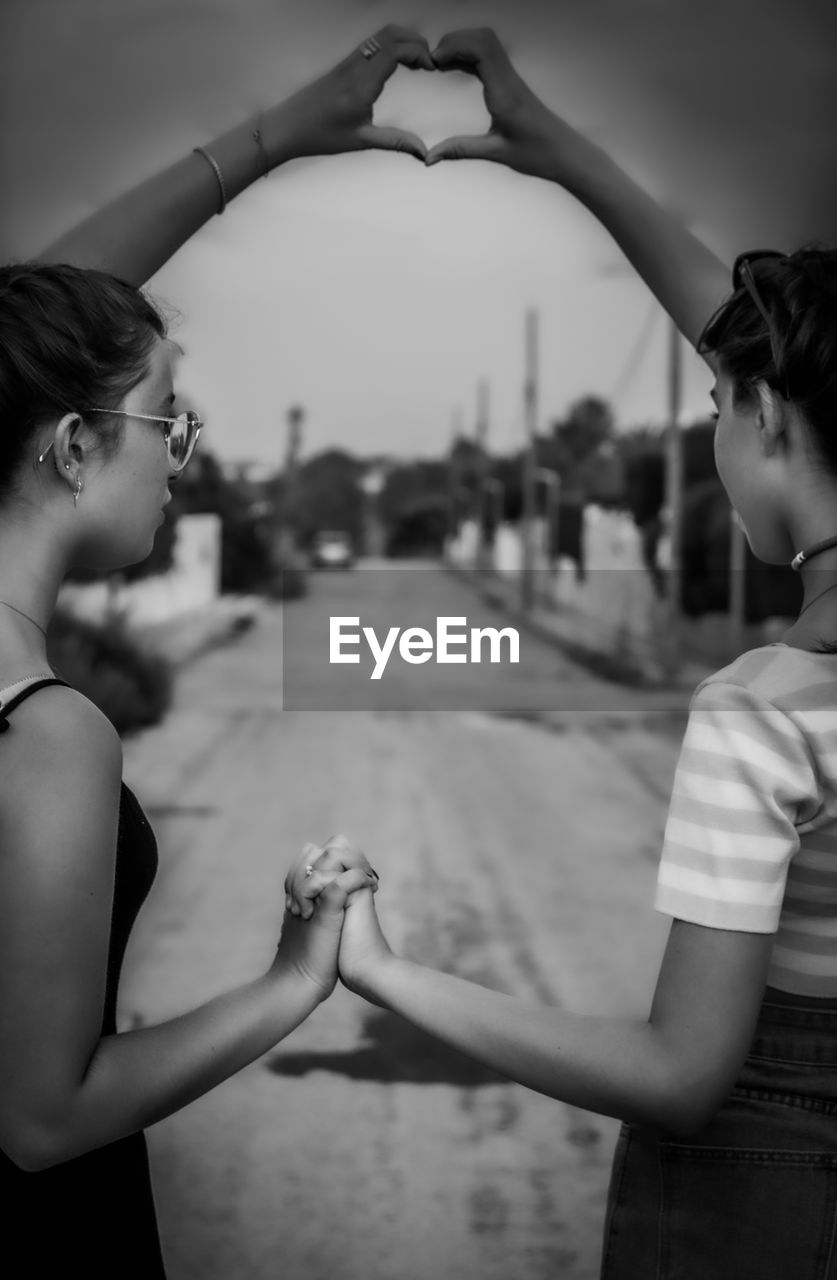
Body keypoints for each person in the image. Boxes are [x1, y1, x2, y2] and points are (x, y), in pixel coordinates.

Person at [288, 28, 837, 1280]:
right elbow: (767, 353)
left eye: (715, 404)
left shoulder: (768, 709)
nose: (712, 420)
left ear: (757, 412)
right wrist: (567, 156)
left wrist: (381, 969)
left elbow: (682, 1074)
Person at [0, 26, 433, 1277]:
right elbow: (40, 1117)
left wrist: (274, 136)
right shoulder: (43, 727)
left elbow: (19, 338)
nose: (184, 451)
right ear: (72, 445)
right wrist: (293, 979)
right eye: (165, 418)